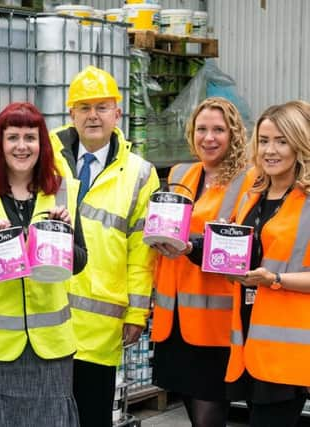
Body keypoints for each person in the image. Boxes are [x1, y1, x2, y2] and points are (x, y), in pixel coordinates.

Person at [0, 65, 159, 427]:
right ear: (71, 113)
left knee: (88, 416)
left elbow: (141, 251)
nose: (93, 116)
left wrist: (136, 312)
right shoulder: (50, 157)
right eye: (84, 107)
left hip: (93, 325)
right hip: (28, 325)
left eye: (102, 106)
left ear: (118, 111)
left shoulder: (139, 172)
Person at [0, 101, 87, 427]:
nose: (22, 146)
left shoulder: (64, 191)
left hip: (50, 348)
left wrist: (61, 236)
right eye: (13, 137)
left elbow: (80, 261)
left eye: (31, 137)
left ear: (43, 144)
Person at [150, 97, 253, 427]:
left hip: (214, 321)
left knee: (210, 411)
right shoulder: (181, 173)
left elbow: (238, 243)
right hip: (175, 316)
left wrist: (190, 247)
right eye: (202, 129)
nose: (208, 138)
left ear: (234, 134)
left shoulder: (247, 181)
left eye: (219, 130)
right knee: (190, 405)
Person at [224, 102, 310, 427]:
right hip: (250, 339)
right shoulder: (253, 195)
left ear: (300, 144)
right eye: (263, 140)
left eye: (281, 141)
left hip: (288, 347)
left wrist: (274, 279)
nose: (269, 151)